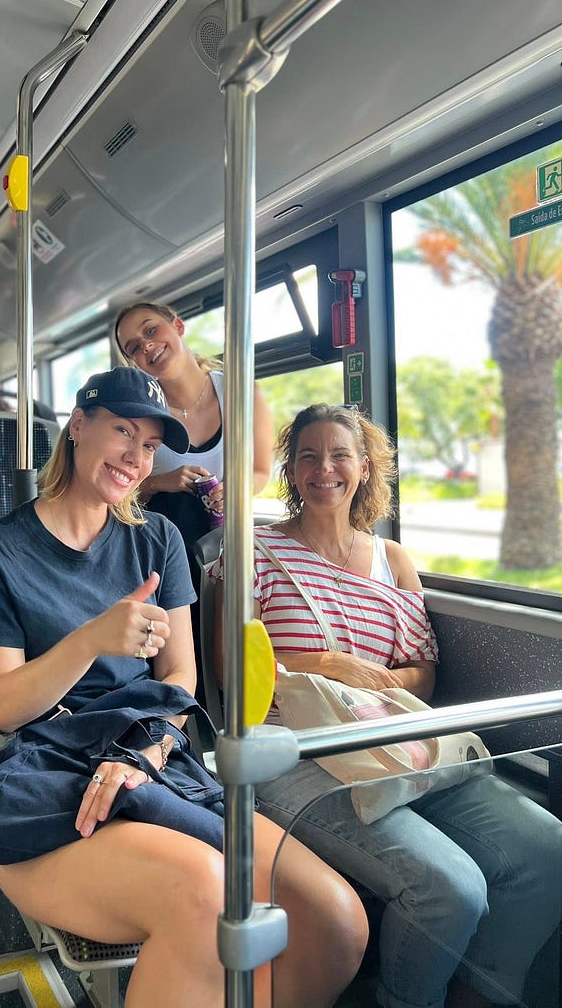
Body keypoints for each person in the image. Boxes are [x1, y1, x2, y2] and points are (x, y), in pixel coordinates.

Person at [0, 368, 367, 1008]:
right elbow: (3, 703)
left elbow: (181, 675)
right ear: (78, 426)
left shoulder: (157, 540)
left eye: (149, 445)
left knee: (336, 920)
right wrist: (91, 638)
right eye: (122, 430)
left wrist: (143, 752)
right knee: (207, 892)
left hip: (151, 758)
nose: (135, 457)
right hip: (52, 773)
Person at [210, 403, 562, 1008]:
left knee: (547, 852)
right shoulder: (254, 554)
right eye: (309, 456)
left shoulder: (392, 560)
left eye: (340, 455)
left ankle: (477, 992)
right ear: (291, 471)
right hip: (299, 751)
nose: (325, 468)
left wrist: (367, 686)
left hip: (394, 737)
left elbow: (422, 674)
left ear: (365, 467)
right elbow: (233, 674)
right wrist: (325, 665)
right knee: (450, 889)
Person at [114, 301, 274, 667]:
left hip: (227, 538)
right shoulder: (139, 411)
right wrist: (160, 481)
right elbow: (117, 492)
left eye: (150, 330)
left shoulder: (241, 392)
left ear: (179, 326)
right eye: (134, 348)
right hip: (166, 542)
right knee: (178, 513)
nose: (146, 346)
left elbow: (261, 470)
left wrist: (234, 491)